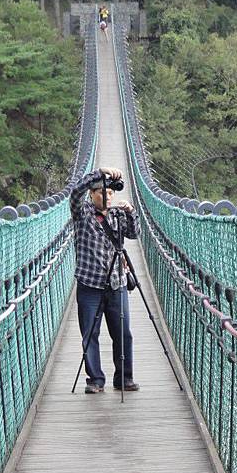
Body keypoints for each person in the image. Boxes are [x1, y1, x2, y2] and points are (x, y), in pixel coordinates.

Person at [70, 167, 141, 394]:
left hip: (116, 282)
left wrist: (130, 212)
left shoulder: (117, 214)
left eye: (110, 193)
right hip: (89, 284)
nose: (107, 197)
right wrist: (99, 173)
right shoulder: (82, 213)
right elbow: (74, 193)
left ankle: (124, 378)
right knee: (90, 333)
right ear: (92, 194)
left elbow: (134, 233)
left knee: (123, 332)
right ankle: (95, 380)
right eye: (102, 192)